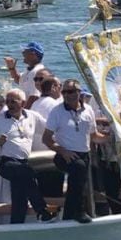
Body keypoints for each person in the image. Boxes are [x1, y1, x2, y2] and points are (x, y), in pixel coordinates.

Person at [42, 79, 108, 223]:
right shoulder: (57, 111)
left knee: (78, 180)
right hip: (64, 155)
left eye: (70, 91)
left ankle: (68, 217)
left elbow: (94, 136)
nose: (67, 95)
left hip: (83, 154)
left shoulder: (88, 110)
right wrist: (62, 151)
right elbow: (46, 138)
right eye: (64, 92)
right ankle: (79, 211)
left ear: (79, 93)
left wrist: (111, 138)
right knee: (78, 169)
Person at [0, 89, 54, 224]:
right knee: (27, 173)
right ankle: (42, 211)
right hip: (5, 162)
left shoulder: (32, 116)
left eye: (13, 101)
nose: (10, 104)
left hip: (23, 163)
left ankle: (17, 224)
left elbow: (50, 128)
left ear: (23, 103)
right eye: (8, 101)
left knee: (19, 194)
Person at [4, 41, 46, 108]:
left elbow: (34, 97)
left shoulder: (36, 72)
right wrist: (12, 68)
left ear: (33, 55)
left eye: (25, 51)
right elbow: (18, 80)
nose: (22, 53)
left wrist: (23, 113)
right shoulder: (30, 69)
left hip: (30, 110)